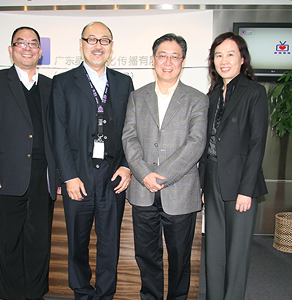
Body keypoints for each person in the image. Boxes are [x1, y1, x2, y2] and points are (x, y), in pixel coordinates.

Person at [0, 26, 59, 300]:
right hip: (4, 177)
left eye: (33, 43)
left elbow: (57, 134)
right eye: (20, 43)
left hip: (42, 177)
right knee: (8, 244)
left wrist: (57, 176)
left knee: (38, 244)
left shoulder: (50, 85)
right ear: (11, 50)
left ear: (40, 52)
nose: (27, 48)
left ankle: (34, 294)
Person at [48, 21, 134, 300]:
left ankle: (105, 295)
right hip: (79, 176)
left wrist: (126, 165)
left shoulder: (123, 82)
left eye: (104, 40)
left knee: (110, 245)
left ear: (111, 46)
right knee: (78, 244)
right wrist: (68, 176)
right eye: (92, 40)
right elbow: (57, 132)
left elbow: (130, 131)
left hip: (112, 175)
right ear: (82, 44)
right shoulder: (63, 82)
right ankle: (82, 294)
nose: (98, 46)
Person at [122, 33, 208, 300]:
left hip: (180, 193)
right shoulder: (138, 96)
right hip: (142, 191)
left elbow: (196, 143)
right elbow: (129, 137)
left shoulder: (197, 99)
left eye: (174, 56)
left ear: (182, 61)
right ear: (153, 59)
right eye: (162, 55)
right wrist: (144, 173)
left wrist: (160, 177)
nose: (168, 62)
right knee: (146, 256)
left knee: (180, 258)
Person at [199, 32, 268, 300]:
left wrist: (246, 190)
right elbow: (207, 144)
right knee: (214, 247)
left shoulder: (254, 92)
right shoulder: (214, 94)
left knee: (237, 251)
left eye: (230, 54)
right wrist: (204, 184)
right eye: (218, 55)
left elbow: (257, 143)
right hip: (213, 178)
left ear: (242, 59)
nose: (224, 60)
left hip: (241, 182)